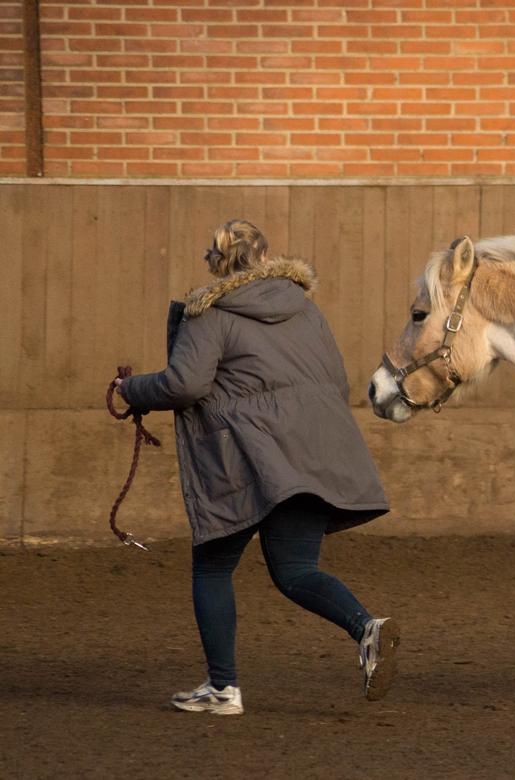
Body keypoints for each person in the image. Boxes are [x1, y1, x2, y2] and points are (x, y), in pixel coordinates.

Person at [117, 219, 396, 715]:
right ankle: (365, 628)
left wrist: (132, 389)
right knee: (295, 570)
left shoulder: (209, 312)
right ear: (265, 258)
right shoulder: (305, 309)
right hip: (316, 450)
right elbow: (336, 380)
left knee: (213, 565)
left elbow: (184, 385)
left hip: (243, 459)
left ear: (214, 261)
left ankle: (222, 688)